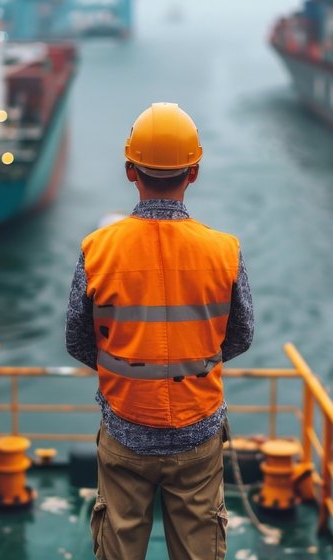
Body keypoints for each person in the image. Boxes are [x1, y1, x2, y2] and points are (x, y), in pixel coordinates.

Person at [65, 102, 254, 560]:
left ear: (131, 170)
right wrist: (192, 360)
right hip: (198, 434)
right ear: (194, 172)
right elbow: (242, 335)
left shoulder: (98, 250)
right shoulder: (224, 251)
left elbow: (77, 338)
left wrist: (129, 368)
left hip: (125, 432)